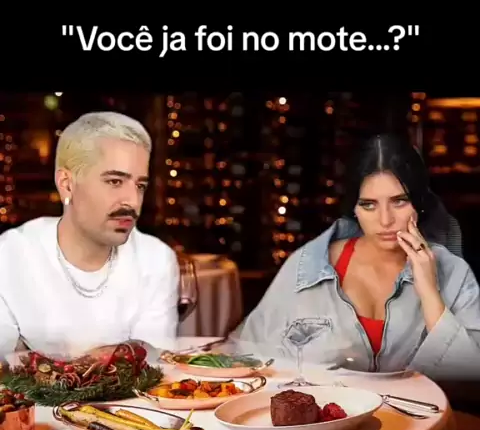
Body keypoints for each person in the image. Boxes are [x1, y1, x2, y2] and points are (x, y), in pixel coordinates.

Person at [233, 133, 480, 381]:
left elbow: (470, 380)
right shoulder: (307, 267)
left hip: (424, 408)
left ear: (420, 203)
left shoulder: (454, 273)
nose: (385, 220)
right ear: (354, 208)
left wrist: (429, 293)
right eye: (368, 204)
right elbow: (244, 358)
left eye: (399, 201)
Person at [0, 111, 180, 359]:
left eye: (140, 186)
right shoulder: (9, 255)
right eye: (115, 181)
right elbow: (4, 368)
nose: (132, 201)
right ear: (67, 184)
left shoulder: (156, 259)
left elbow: (155, 364)